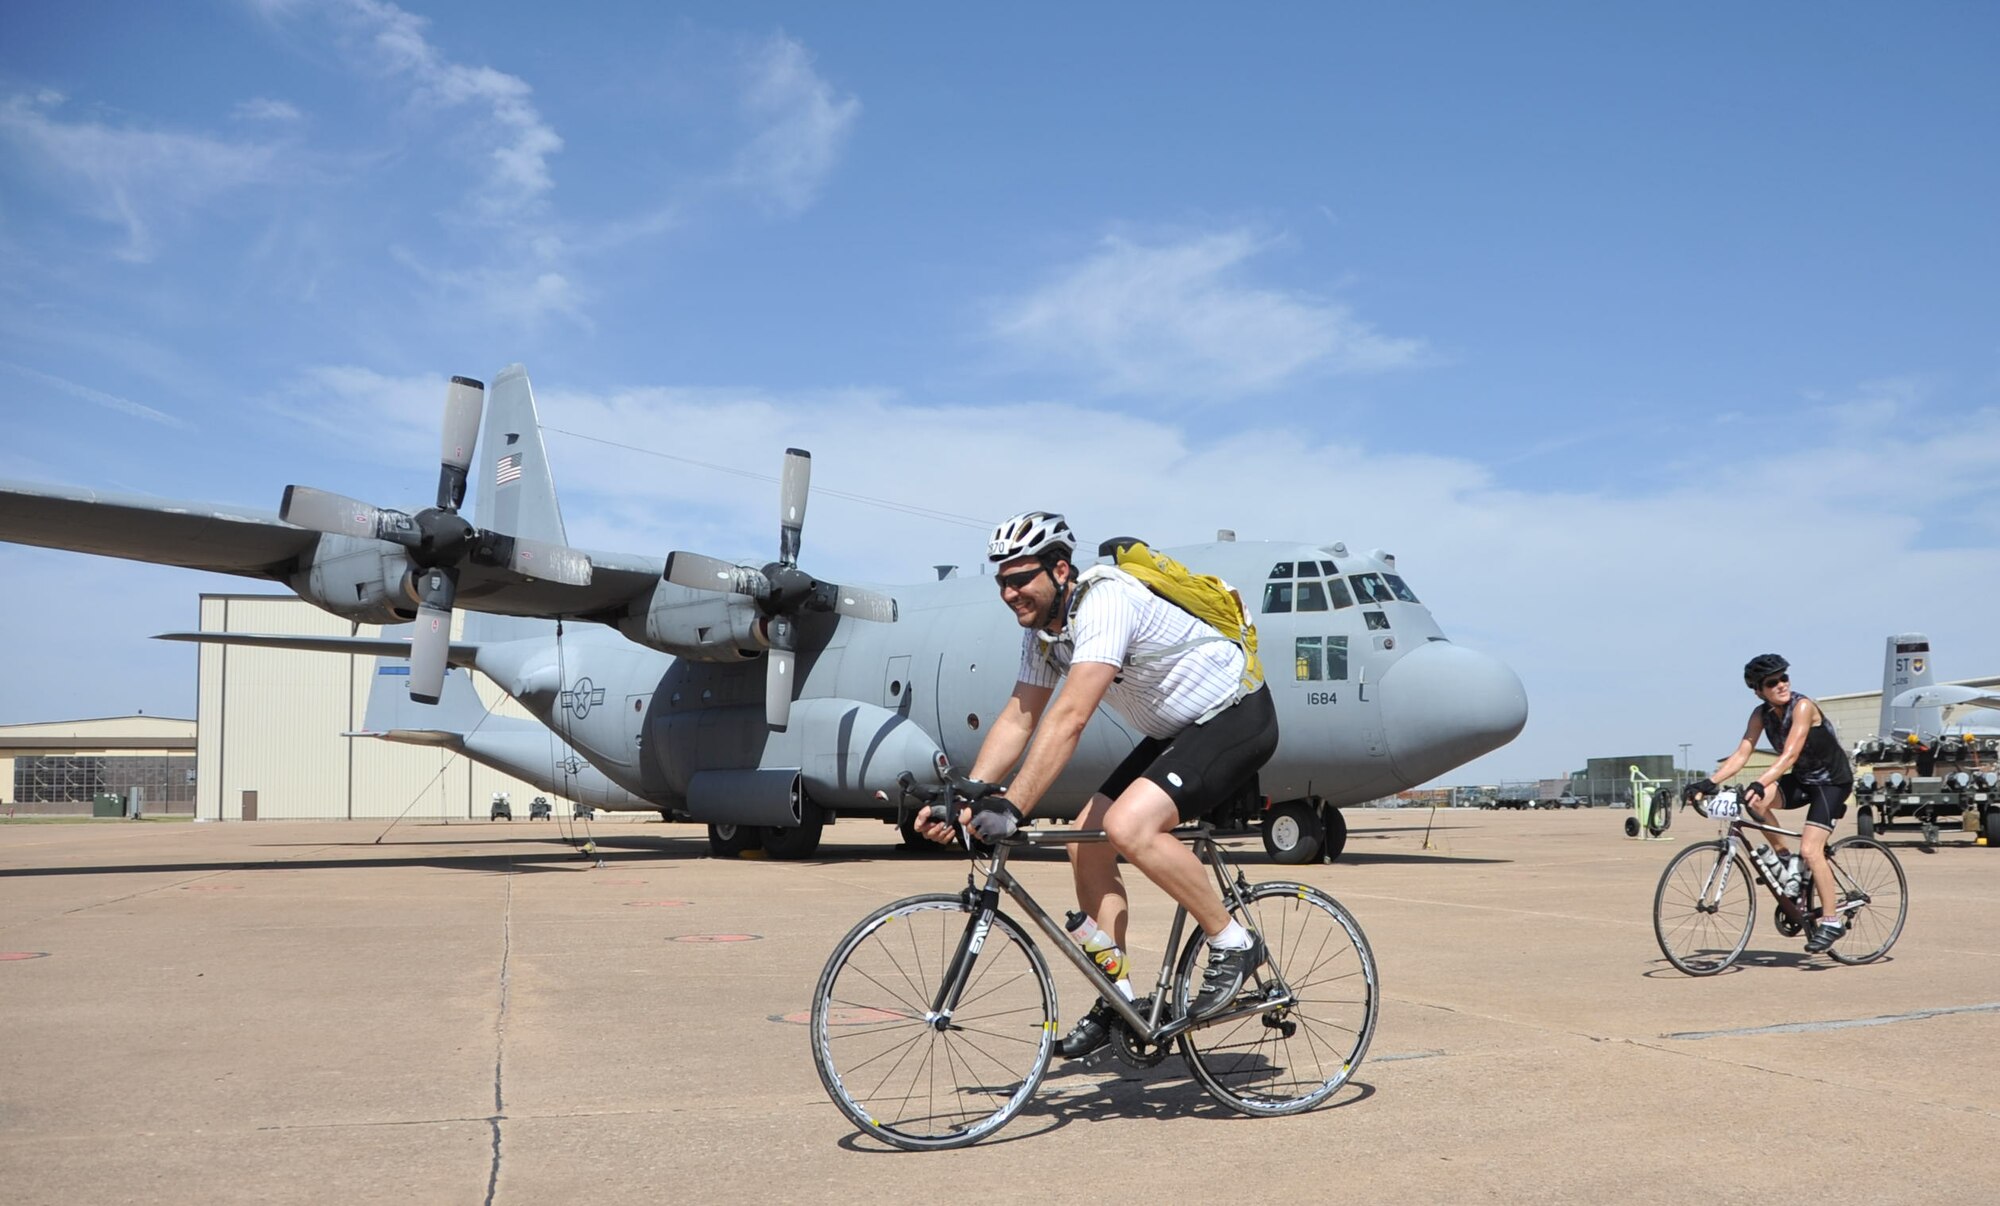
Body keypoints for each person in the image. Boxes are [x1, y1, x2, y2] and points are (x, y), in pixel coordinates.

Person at [916, 511, 1280, 1057]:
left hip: (1234, 715)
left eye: (1021, 579)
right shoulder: (1043, 636)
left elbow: (1070, 717)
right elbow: (1020, 717)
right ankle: (1120, 1000)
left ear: (1061, 570)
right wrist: (966, 794)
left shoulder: (1106, 600)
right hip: (1176, 729)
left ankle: (1233, 942)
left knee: (1127, 825)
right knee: (1084, 842)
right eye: (1002, 582)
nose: (1010, 592)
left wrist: (1013, 806)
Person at [1682, 654, 1855, 953]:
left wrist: (1761, 780)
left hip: (1832, 782)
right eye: (1772, 682)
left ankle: (1831, 920)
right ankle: (1785, 860)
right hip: (1804, 780)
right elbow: (1742, 753)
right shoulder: (1761, 714)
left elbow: (1788, 755)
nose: (1781, 685)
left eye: (1784, 678)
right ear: (1759, 690)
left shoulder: (1803, 707)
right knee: (1756, 802)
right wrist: (1709, 782)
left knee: (1811, 850)